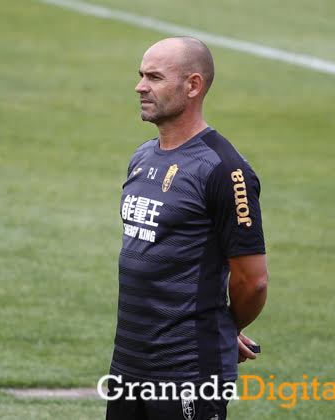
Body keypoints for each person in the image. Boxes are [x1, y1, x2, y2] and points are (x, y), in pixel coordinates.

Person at [106, 37, 268, 420]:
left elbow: (254, 282)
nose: (140, 86)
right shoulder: (142, 157)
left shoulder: (225, 170)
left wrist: (222, 327)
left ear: (193, 86)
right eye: (141, 75)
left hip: (187, 371)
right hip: (129, 364)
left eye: (155, 77)